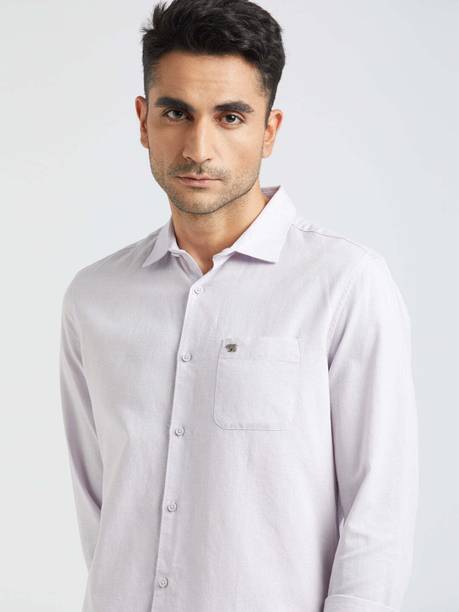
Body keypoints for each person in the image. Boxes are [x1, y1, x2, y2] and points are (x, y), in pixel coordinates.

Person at [59, 1, 419, 611]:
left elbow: (378, 512)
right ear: (144, 121)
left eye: (230, 117)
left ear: (269, 130)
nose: (198, 147)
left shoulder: (344, 284)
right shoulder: (94, 299)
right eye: (176, 113)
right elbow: (100, 506)